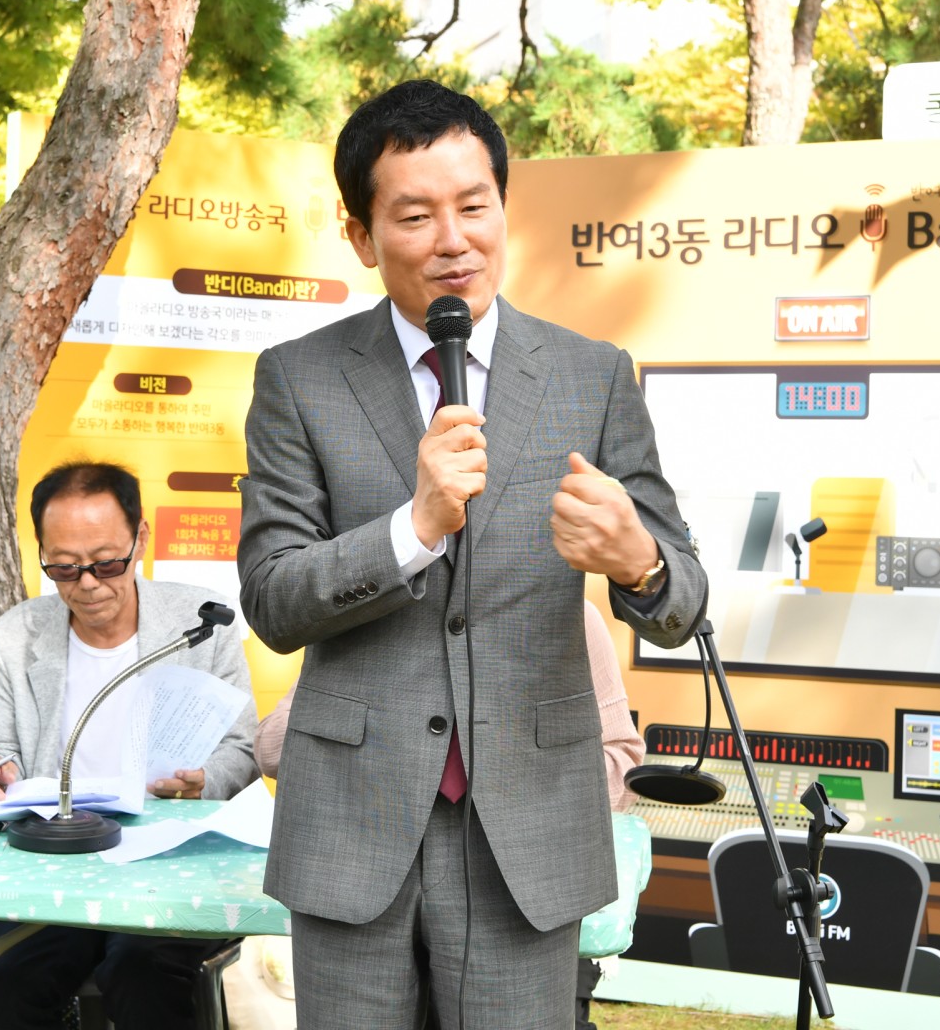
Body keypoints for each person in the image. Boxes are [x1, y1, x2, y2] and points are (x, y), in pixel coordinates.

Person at [236, 79, 707, 1029]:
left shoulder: (591, 376)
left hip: (526, 824)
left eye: (474, 206)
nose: (453, 240)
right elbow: (274, 599)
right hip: (353, 820)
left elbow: (683, 600)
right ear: (362, 236)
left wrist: (638, 563)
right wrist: (410, 530)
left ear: (503, 208)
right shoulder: (299, 379)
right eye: (415, 216)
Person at [0, 460, 259, 1030]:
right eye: (64, 568)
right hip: (55, 864)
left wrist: (203, 782)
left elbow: (241, 748)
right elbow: (2, 745)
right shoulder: (18, 635)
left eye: (106, 563)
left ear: (140, 538)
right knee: (7, 984)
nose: (88, 585)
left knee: (142, 971)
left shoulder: (201, 623)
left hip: (169, 863)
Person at [252, 600, 645, 1030]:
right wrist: (366, 714)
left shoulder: (567, 612)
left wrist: (519, 785)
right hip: (357, 851)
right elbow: (270, 749)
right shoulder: (363, 600)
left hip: (512, 874)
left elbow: (622, 761)